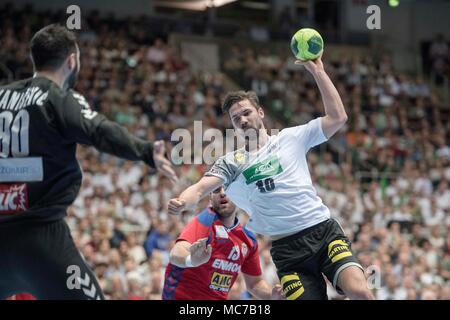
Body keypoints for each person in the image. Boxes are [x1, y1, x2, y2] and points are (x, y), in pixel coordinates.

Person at [169, 55, 374, 300]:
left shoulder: (291, 138)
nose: (243, 120)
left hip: (323, 232)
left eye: (246, 113)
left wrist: (319, 72)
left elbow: (338, 117)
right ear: (234, 127)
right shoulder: (232, 162)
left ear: (261, 113)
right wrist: (183, 200)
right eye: (236, 119)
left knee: (359, 291)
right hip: (287, 250)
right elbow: (202, 186)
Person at [0, 24, 177, 300]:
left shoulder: (1, 96)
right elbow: (97, 130)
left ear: (34, 59)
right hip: (40, 238)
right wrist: (144, 151)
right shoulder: (56, 96)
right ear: (72, 61)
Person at [163, 186, 282, 300]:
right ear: (210, 197)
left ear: (238, 195)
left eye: (228, 188)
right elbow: (176, 254)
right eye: (216, 190)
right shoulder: (206, 221)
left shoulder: (249, 240)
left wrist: (272, 296)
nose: (223, 193)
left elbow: (255, 284)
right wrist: (192, 260)